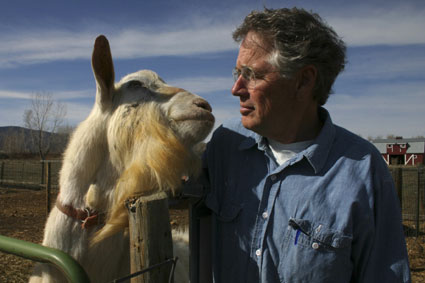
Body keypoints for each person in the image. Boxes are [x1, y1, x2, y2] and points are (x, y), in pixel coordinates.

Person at [201, 7, 411, 283]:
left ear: (304, 81)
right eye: (238, 72)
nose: (236, 88)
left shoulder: (363, 170)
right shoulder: (225, 144)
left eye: (252, 74)